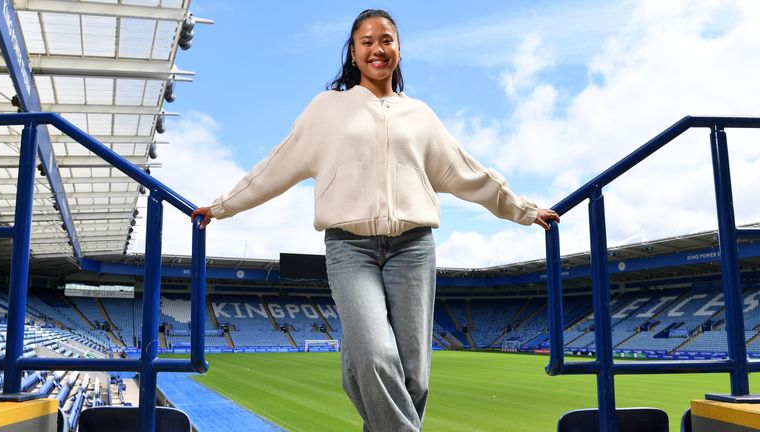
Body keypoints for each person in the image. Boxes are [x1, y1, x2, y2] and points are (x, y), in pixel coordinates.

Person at [191, 8, 560, 432]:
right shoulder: (327, 110)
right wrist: (222, 206)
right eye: (366, 42)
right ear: (352, 53)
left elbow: (467, 172)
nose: (377, 49)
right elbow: (274, 166)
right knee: (373, 357)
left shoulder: (420, 116)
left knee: (414, 376)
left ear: (398, 50)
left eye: (386, 40)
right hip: (350, 249)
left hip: (413, 247)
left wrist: (525, 210)